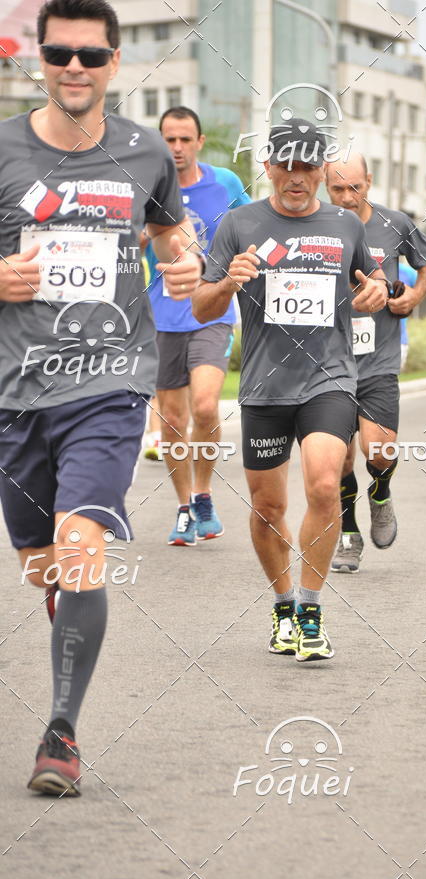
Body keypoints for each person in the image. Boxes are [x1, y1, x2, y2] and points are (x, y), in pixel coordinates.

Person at [0, 0, 201, 796]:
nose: (74, 67)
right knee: (44, 566)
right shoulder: (4, 147)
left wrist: (182, 266)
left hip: (110, 381)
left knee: (82, 545)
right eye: (60, 53)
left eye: (90, 55)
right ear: (40, 60)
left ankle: (61, 732)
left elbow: (165, 234)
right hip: (16, 392)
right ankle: (67, 610)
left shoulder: (145, 152)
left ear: (115, 62)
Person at [192, 119, 389, 662]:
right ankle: (281, 605)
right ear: (269, 166)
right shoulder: (238, 223)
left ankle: (309, 610)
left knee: (325, 486)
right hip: (264, 385)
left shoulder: (345, 224)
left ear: (322, 169)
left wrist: (373, 291)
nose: (297, 177)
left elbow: (368, 281)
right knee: (267, 505)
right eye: (287, 165)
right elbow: (201, 307)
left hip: (329, 378)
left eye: (308, 166)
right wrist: (228, 281)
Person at [324, 154, 426, 573]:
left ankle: (381, 491)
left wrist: (414, 296)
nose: (347, 197)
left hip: (377, 361)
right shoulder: (315, 226)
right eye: (338, 188)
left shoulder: (395, 224)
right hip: (327, 363)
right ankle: (348, 534)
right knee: (335, 458)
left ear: (369, 182)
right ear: (325, 186)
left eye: (355, 187)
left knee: (379, 450)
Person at [145, 106, 250, 545]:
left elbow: (254, 223)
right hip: (163, 315)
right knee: (171, 418)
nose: (177, 148)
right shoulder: (146, 183)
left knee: (205, 407)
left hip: (213, 309)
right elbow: (126, 233)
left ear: (200, 142)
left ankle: (204, 493)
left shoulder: (224, 182)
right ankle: (185, 506)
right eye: (169, 139)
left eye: (186, 139)